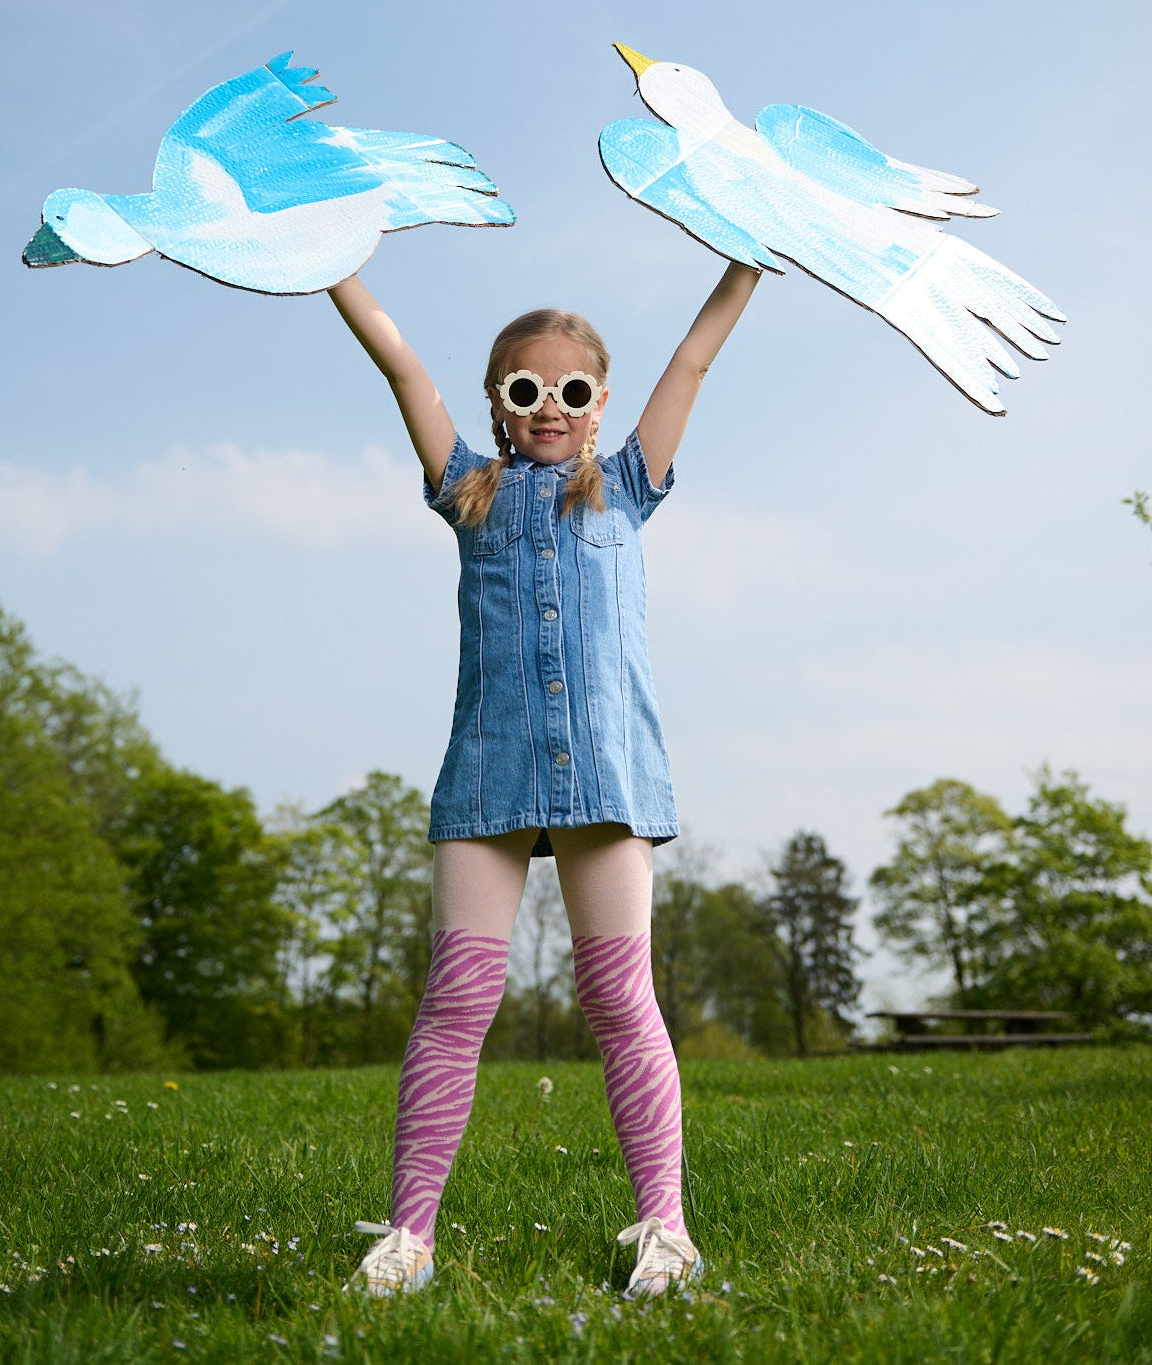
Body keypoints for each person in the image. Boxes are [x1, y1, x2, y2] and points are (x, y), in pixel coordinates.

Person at [327, 259, 759, 1298]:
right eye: (527, 391)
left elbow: (695, 355)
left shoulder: (630, 483)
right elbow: (399, 363)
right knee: (458, 999)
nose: (551, 409)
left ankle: (666, 1228)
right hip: (489, 772)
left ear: (601, 404)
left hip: (608, 776)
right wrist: (330, 266)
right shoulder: (467, 490)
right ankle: (409, 1238)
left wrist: (747, 256)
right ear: (497, 404)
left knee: (620, 999)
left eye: (574, 392)